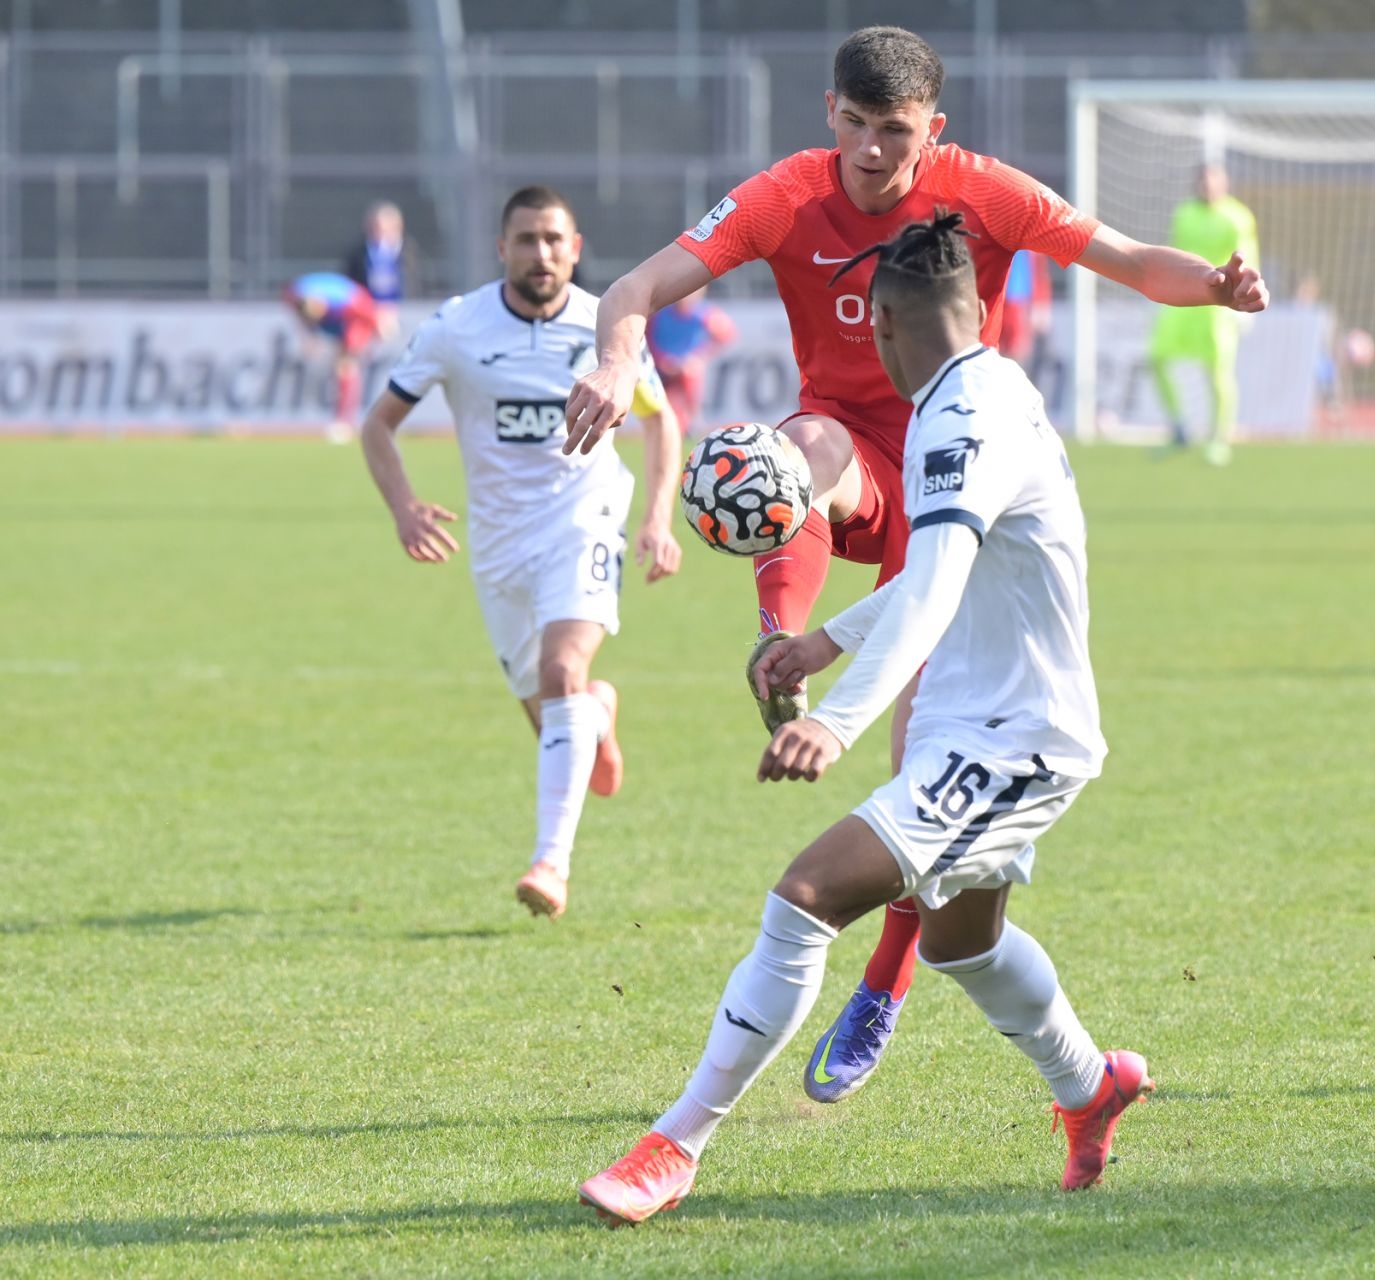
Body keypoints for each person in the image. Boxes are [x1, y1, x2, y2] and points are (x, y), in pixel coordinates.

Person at [562, 26, 1266, 1106]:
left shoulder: (984, 190)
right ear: (829, 117)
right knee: (792, 451)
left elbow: (1124, 260)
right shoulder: (787, 196)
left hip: (958, 479)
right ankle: (775, 640)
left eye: (898, 132)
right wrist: (617, 354)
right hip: (855, 464)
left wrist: (1214, 288)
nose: (876, 152)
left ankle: (885, 983)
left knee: (917, 770)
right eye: (857, 127)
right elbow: (639, 285)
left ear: (932, 127)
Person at [578, 213, 1151, 1226]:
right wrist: (824, 641)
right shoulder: (980, 388)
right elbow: (939, 571)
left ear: (880, 325)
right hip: (974, 717)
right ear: (980, 308)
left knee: (807, 893)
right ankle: (1089, 1087)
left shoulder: (963, 415)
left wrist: (836, 720)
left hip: (1013, 732)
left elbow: (929, 586)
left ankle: (677, 1142)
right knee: (963, 942)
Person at [359, 185, 683, 919]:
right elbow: (378, 425)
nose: (542, 253)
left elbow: (662, 424)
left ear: (576, 247)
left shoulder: (609, 330)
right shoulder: (456, 327)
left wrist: (658, 519)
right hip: (498, 542)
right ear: (501, 249)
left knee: (563, 669)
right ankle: (596, 715)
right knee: (554, 721)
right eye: (527, 240)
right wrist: (405, 507)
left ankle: (550, 865)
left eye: (554, 240)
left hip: (584, 517)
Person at [1148, 163, 1259, 466]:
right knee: (1156, 357)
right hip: (1184, 300)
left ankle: (1219, 439)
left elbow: (1248, 258)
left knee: (1218, 373)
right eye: (1203, 180)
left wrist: (1244, 303)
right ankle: (1179, 428)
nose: (1207, 185)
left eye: (1213, 179)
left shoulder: (1237, 217)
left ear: (1225, 182)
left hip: (1219, 305)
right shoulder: (1184, 213)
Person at [284, 270, 381, 440]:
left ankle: (344, 420)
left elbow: (370, 316)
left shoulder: (349, 302)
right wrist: (309, 336)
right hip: (333, 319)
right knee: (341, 368)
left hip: (353, 318)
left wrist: (376, 330)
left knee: (345, 367)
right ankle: (342, 419)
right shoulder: (295, 296)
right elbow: (302, 316)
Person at [646, 287, 737, 434]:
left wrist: (699, 357)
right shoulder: (660, 314)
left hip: (685, 367)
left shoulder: (705, 314)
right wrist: (661, 360)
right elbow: (647, 339)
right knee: (659, 402)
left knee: (690, 372)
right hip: (659, 366)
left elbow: (726, 334)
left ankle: (693, 419)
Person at [343, 200, 417, 339]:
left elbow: (413, 282)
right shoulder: (358, 253)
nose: (381, 232)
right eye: (376, 227)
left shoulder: (408, 251)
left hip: (402, 311)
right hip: (368, 312)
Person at [998, 247, 1052, 375]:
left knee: (1016, 350)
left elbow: (1040, 269)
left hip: (1018, 298)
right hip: (997, 296)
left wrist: (1041, 302)